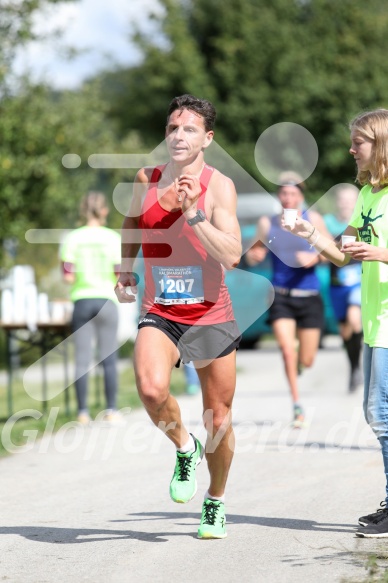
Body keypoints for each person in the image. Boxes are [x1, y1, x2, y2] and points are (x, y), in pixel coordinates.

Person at [115, 94, 242, 539]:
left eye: (188, 129)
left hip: (210, 313)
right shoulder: (146, 178)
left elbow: (232, 253)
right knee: (151, 390)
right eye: (172, 128)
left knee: (218, 418)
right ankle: (183, 447)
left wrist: (194, 215)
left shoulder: (219, 185)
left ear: (207, 138)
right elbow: (132, 222)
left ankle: (215, 500)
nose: (178, 136)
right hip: (161, 308)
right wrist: (124, 267)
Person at [283, 108, 388, 538]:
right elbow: (344, 253)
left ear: (379, 144)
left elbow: (370, 252)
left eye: (358, 142)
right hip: (373, 320)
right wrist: (309, 232)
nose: (351, 149)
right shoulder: (367, 195)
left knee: (382, 413)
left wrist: (381, 254)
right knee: (376, 413)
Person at [246, 173, 329, 427]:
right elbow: (250, 255)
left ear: (301, 196)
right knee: (286, 350)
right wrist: (255, 255)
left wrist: (314, 258)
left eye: (292, 193)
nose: (288, 198)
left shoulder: (312, 219)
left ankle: (300, 365)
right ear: (278, 196)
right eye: (283, 193)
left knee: (307, 359)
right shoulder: (266, 223)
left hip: (309, 296)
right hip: (281, 296)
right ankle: (297, 406)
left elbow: (330, 254)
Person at [61, 192, 121, 424]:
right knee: (109, 358)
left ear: (82, 210)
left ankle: (83, 412)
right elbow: (118, 273)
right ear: (104, 211)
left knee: (82, 359)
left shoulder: (72, 239)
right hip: (107, 301)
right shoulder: (113, 238)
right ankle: (112, 410)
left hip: (82, 299)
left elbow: (67, 277)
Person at [323, 185, 363, 392]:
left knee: (355, 318)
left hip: (358, 281)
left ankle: (359, 367)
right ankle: (354, 367)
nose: (347, 203)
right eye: (343, 199)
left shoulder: (362, 220)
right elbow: (321, 251)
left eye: (351, 199)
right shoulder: (328, 222)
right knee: (344, 331)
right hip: (336, 283)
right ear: (337, 201)